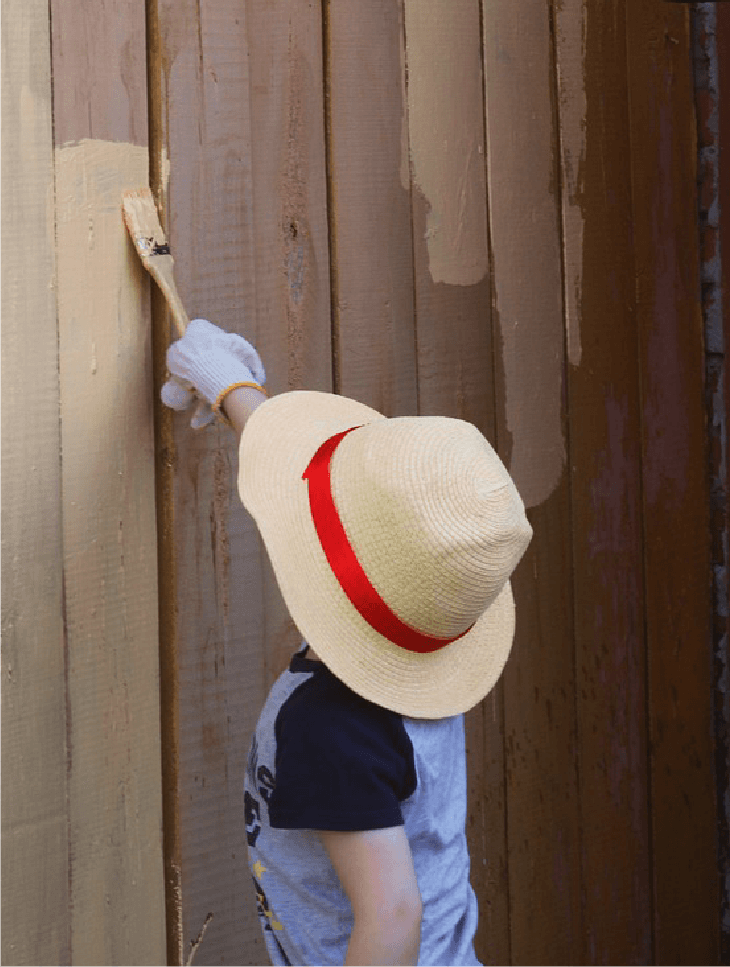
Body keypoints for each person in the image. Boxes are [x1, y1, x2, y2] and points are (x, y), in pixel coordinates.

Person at [162, 319, 533, 967]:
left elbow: (392, 916)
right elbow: (313, 492)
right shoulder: (419, 650)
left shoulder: (326, 725)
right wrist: (229, 386)